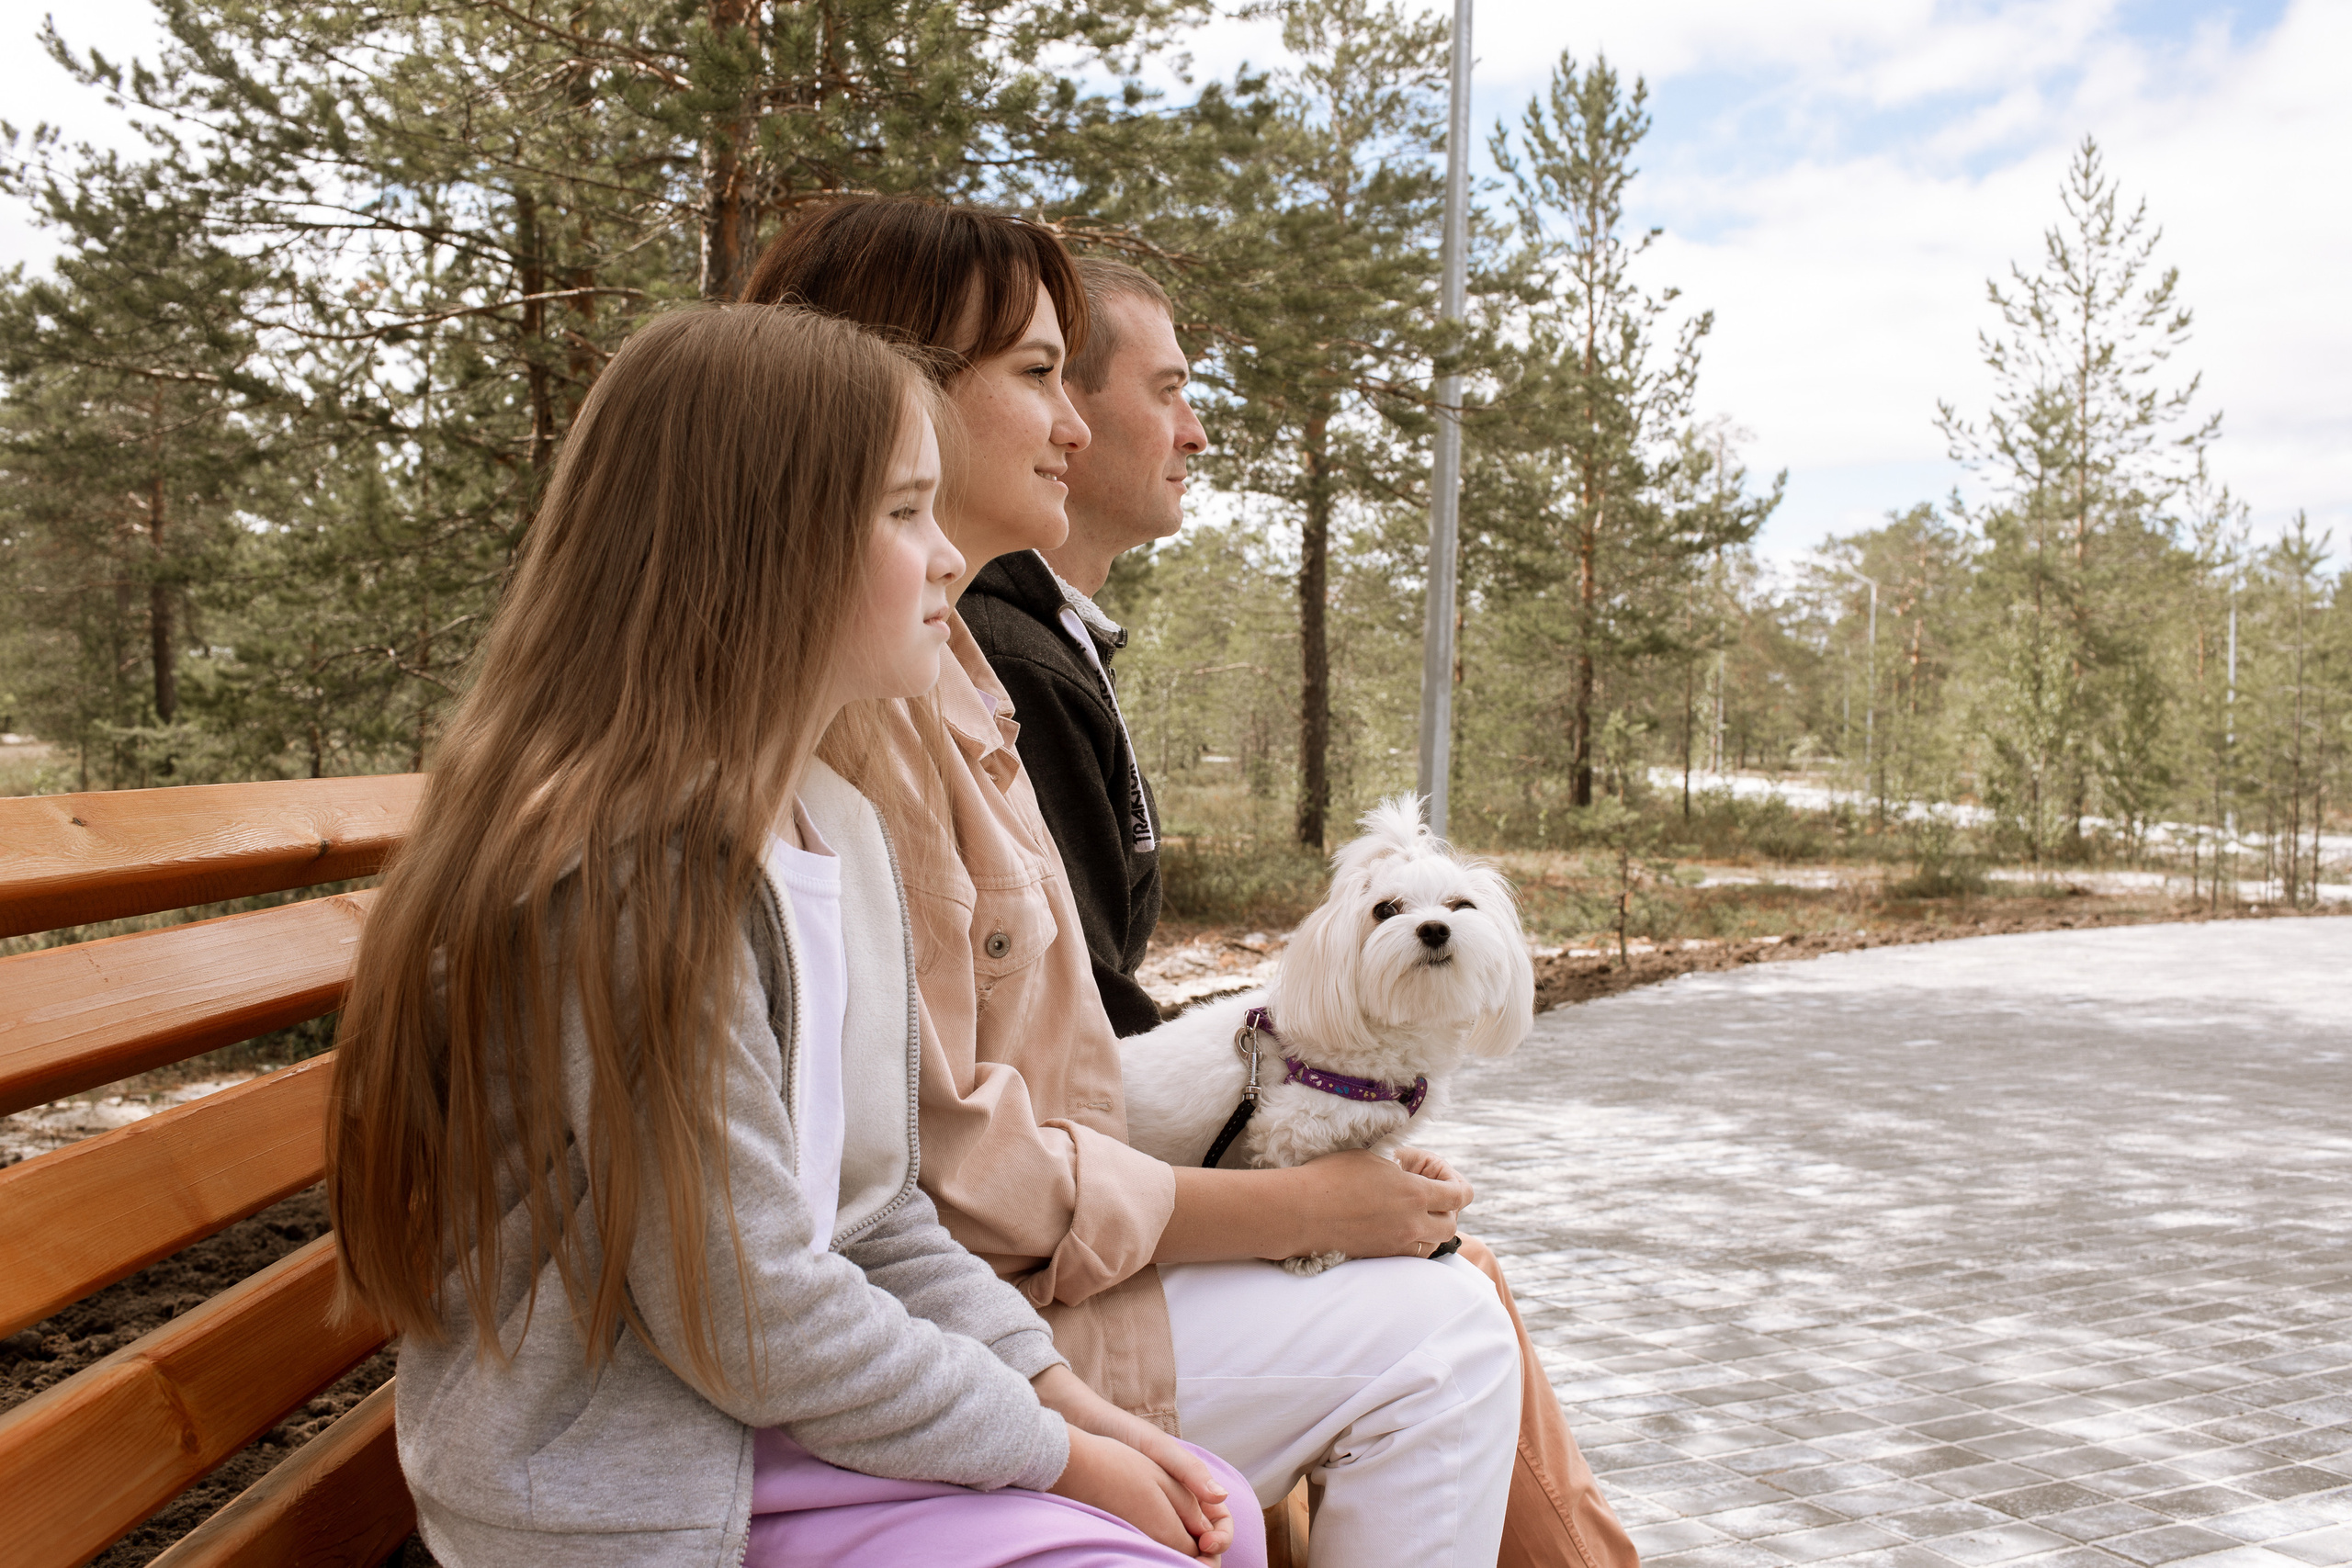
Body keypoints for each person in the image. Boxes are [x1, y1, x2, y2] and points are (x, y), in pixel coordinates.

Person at [323, 304, 1252, 1567]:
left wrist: (1068, 1404)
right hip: (630, 1486)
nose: (947, 561)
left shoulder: (826, 830)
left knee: (1208, 1504)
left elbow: (872, 1221)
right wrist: (1063, 1460)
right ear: (756, 547)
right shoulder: (639, 882)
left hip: (760, 1426)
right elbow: (748, 1313)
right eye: (903, 514)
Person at [741, 201, 1522, 1568]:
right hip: (966, 1324)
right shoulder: (864, 736)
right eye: (1043, 376)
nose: (1078, 425)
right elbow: (920, 1181)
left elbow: (946, 1150)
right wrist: (1283, 1208)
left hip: (982, 1299)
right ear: (890, 397)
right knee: (1445, 1338)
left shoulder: (956, 687)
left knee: (1450, 1294)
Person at [965, 258, 1644, 1568]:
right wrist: (1309, 1203)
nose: (1197, 430)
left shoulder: (1039, 655)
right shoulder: (1006, 666)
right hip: (1044, 1255)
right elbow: (1050, 1064)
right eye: (1163, 392)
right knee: (1452, 1313)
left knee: (1438, 1281)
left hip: (1079, 1206)